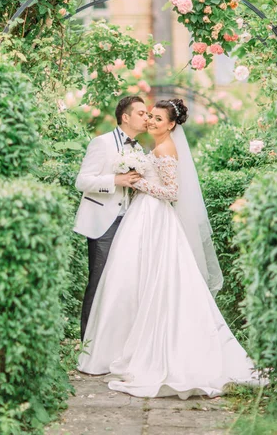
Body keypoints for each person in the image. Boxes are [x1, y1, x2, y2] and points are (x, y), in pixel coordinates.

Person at [78, 99, 263, 399]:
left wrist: (140, 185)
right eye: (149, 116)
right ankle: (121, 346)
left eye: (158, 119)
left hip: (155, 218)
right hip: (142, 218)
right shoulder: (148, 149)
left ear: (171, 125)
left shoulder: (165, 151)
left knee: (154, 283)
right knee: (130, 283)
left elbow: (172, 192)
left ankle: (153, 350)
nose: (151, 121)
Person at [74, 95, 148, 341]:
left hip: (130, 222)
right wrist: (116, 181)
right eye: (141, 113)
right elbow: (82, 181)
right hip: (103, 223)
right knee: (98, 282)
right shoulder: (102, 143)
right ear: (125, 117)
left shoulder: (139, 150)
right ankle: (87, 343)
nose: (146, 117)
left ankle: (113, 341)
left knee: (123, 284)